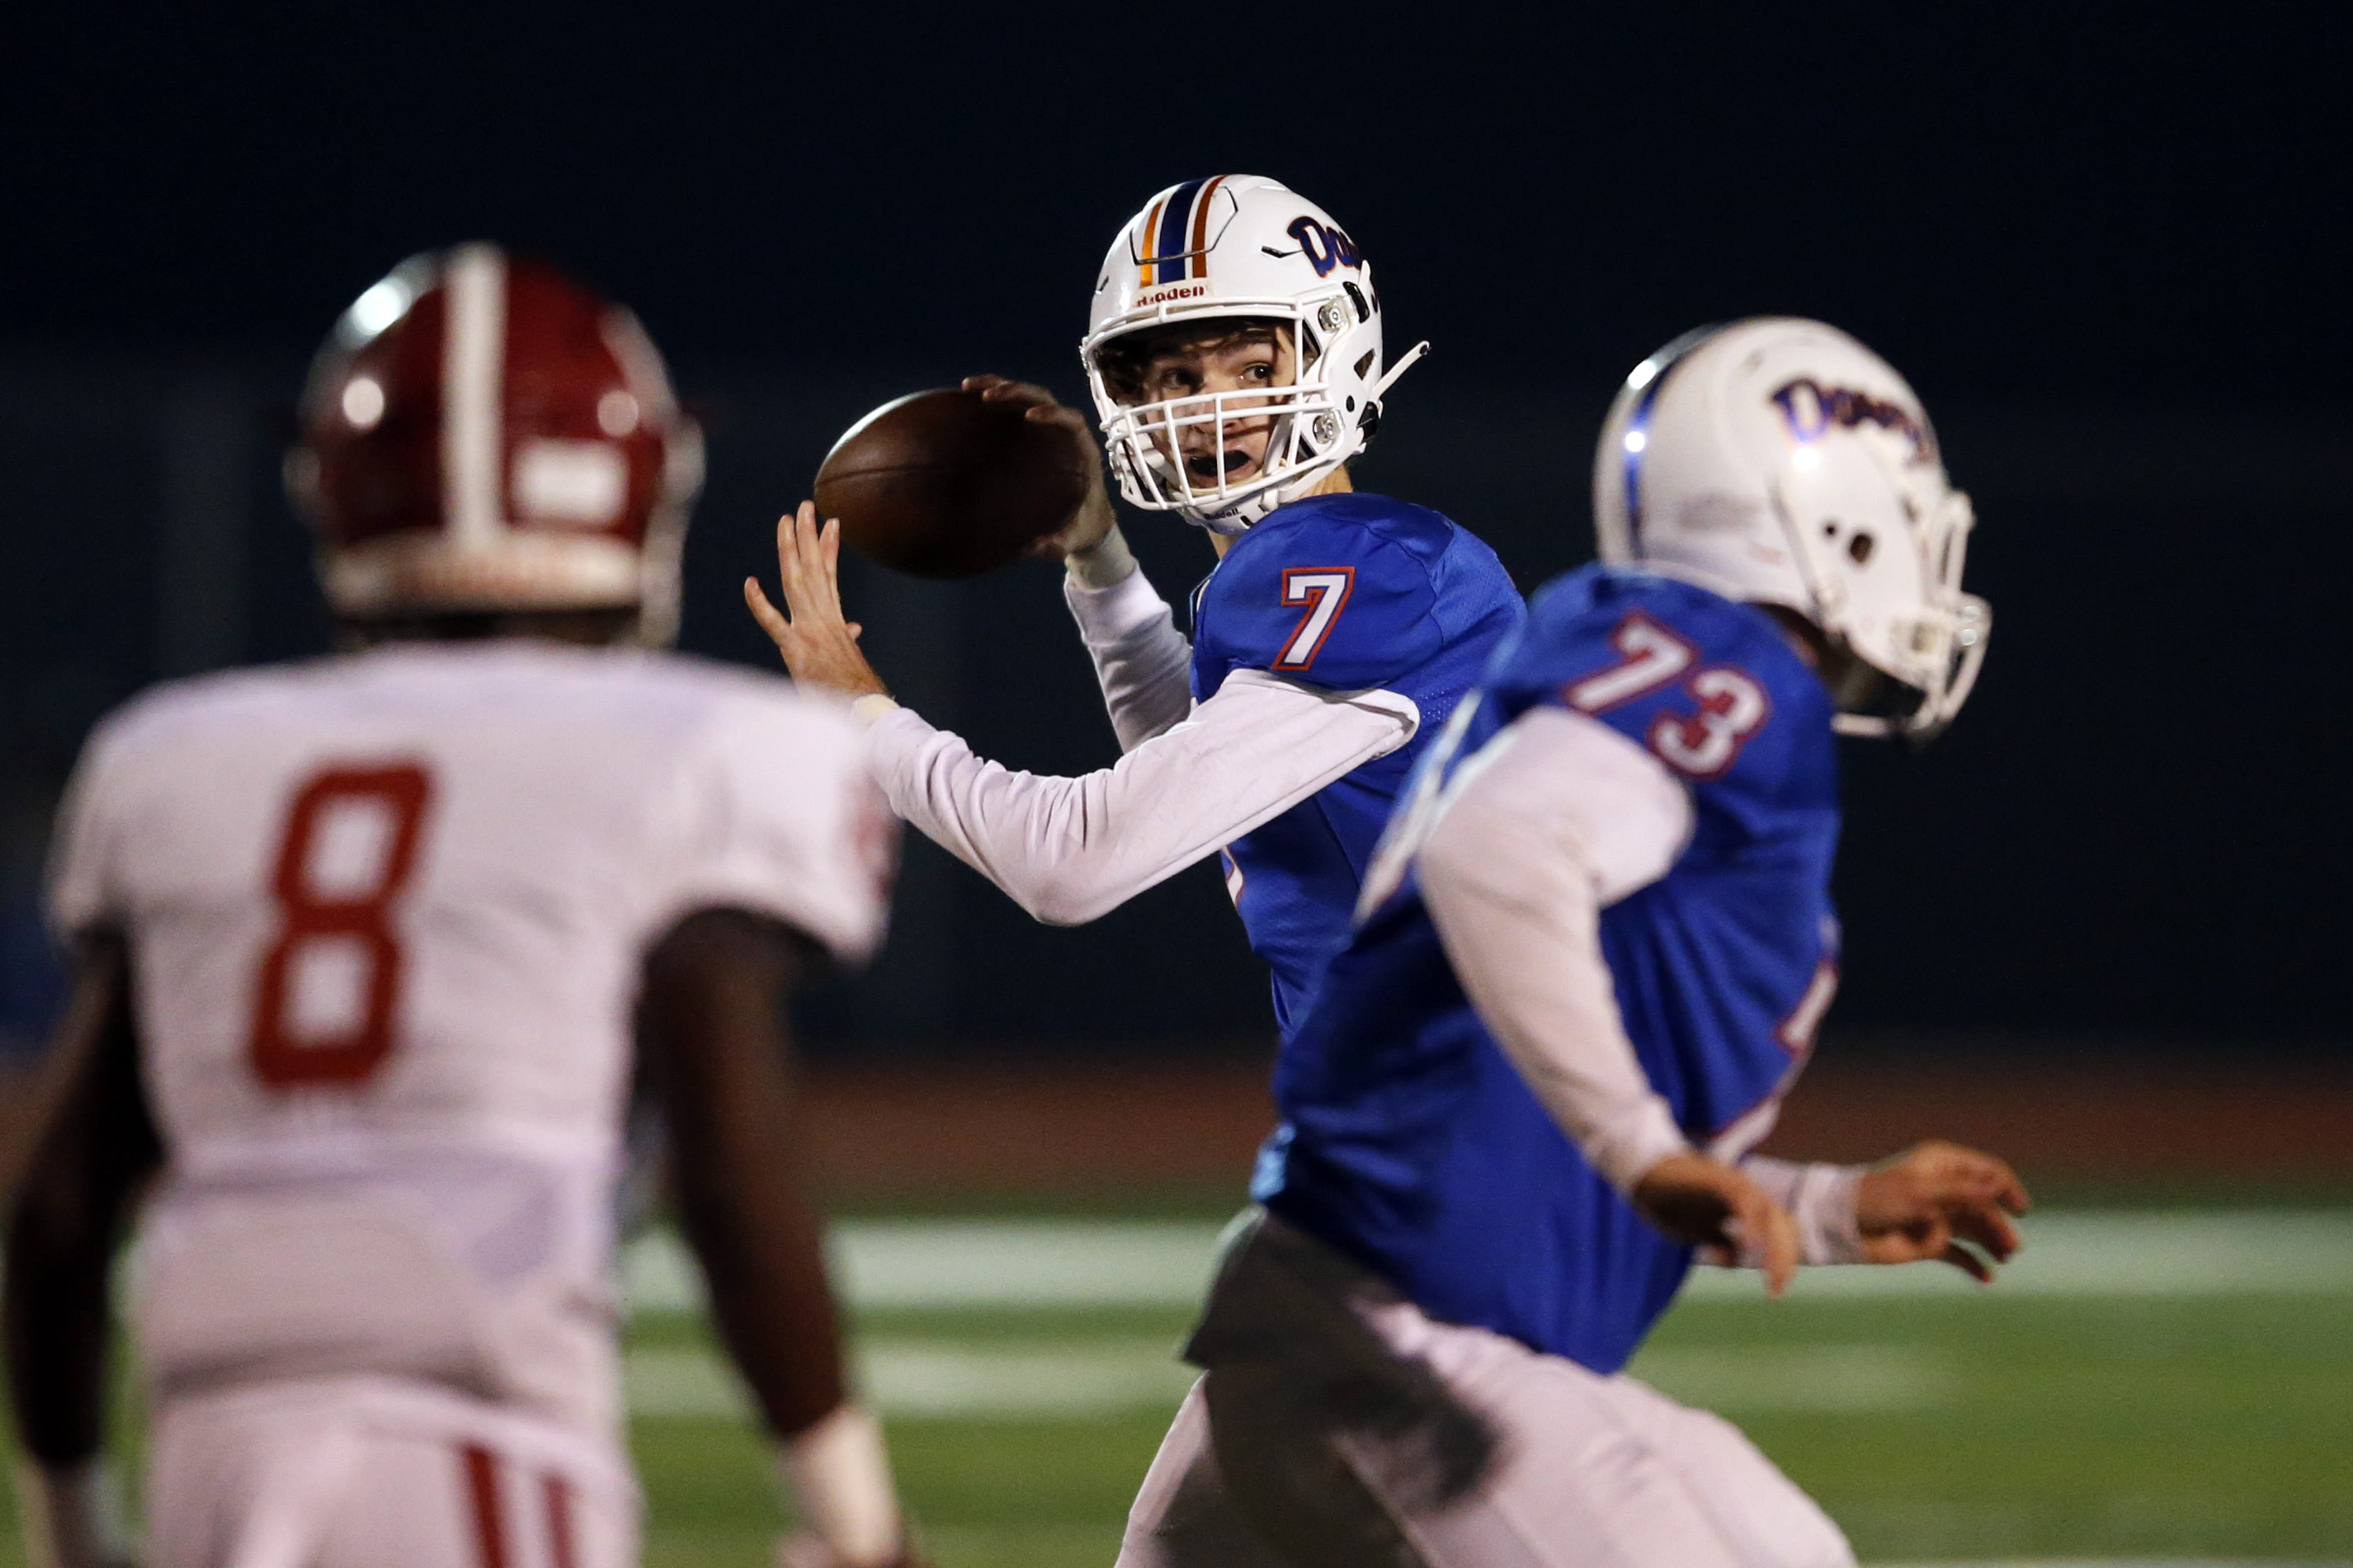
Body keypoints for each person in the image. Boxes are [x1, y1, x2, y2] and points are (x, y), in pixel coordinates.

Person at [4, 246, 919, 1568]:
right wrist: (858, 1524)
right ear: (642, 484)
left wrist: (74, 1536)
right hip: (475, 1430)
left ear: (336, 487)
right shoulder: (706, 745)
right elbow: (727, 1166)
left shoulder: (172, 756)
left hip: (209, 1446)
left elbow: (57, 1212)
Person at [1117, 318, 2029, 1568]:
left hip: (1334, 1300)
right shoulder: (1715, 691)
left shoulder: (1614, 686)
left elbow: (1519, 1090)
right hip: (1400, 1332)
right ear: (1827, 516)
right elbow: (1494, 860)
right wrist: (1653, 1156)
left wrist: (1818, 1207)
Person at [747, 174, 1523, 1042]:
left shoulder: (1371, 569)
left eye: (1255, 367)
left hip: (1484, 1112)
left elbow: (1068, 864)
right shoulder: (1309, 570)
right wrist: (1097, 553)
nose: (1212, 408)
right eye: (1176, 377)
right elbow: (1192, 764)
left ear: (1338, 353)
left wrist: (857, 711)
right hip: (1421, 1095)